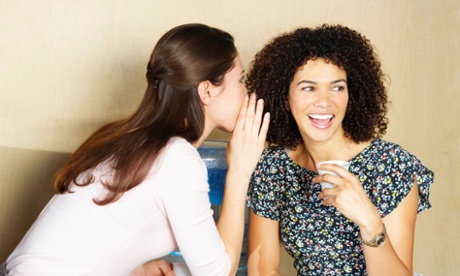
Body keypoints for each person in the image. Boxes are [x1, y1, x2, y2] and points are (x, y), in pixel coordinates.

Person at [2, 23, 270, 276]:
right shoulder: (176, 159)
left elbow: (87, 238)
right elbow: (218, 273)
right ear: (207, 91)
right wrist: (240, 172)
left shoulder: (130, 139)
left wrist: (134, 266)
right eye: (241, 81)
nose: (247, 95)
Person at [245, 24, 434, 275]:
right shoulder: (274, 167)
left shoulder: (392, 166)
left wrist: (370, 222)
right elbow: (262, 269)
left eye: (337, 87)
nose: (325, 102)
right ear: (285, 96)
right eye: (309, 87)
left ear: (351, 94)